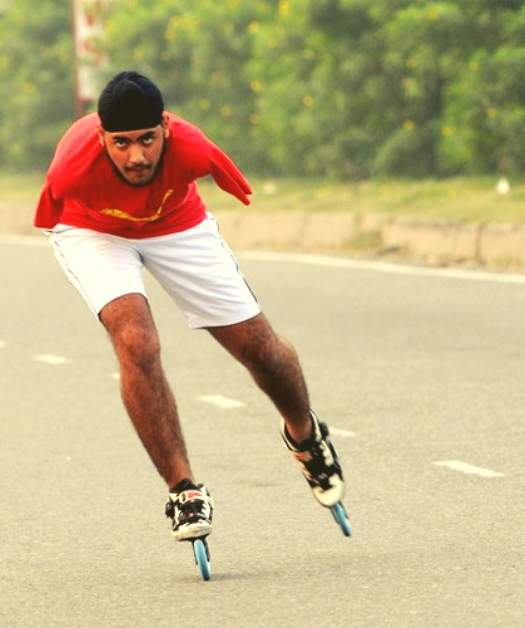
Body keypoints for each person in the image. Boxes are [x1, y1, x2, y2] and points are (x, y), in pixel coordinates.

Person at [34, 70, 345, 542]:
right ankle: (184, 490)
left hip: (176, 221)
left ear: (166, 129)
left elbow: (235, 185)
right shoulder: (70, 169)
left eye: (147, 140)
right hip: (93, 230)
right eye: (120, 143)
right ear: (100, 137)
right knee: (136, 343)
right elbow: (49, 218)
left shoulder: (192, 148)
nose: (136, 156)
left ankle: (305, 435)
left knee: (259, 347)